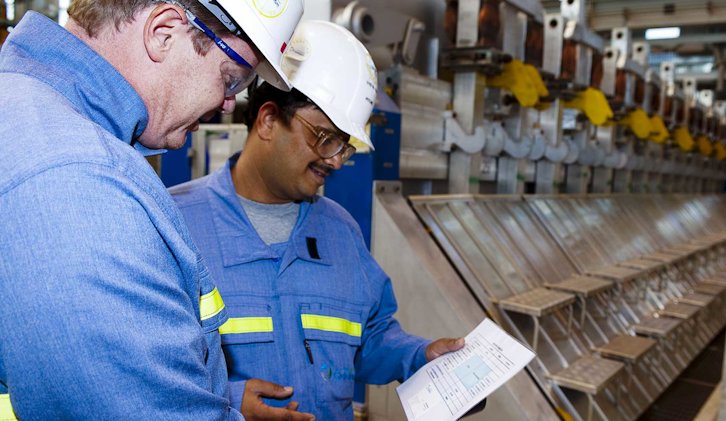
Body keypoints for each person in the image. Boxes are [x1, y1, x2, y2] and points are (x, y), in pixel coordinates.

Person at [0, 1, 306, 419]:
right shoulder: (79, 183)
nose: (228, 104)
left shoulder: (26, 109)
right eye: (230, 79)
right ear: (163, 32)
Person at [169, 20, 466, 420]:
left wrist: (418, 355)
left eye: (345, 146)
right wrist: (227, 400)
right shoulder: (177, 225)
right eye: (324, 138)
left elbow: (370, 335)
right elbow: (144, 365)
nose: (336, 160)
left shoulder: (340, 232)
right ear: (269, 120)